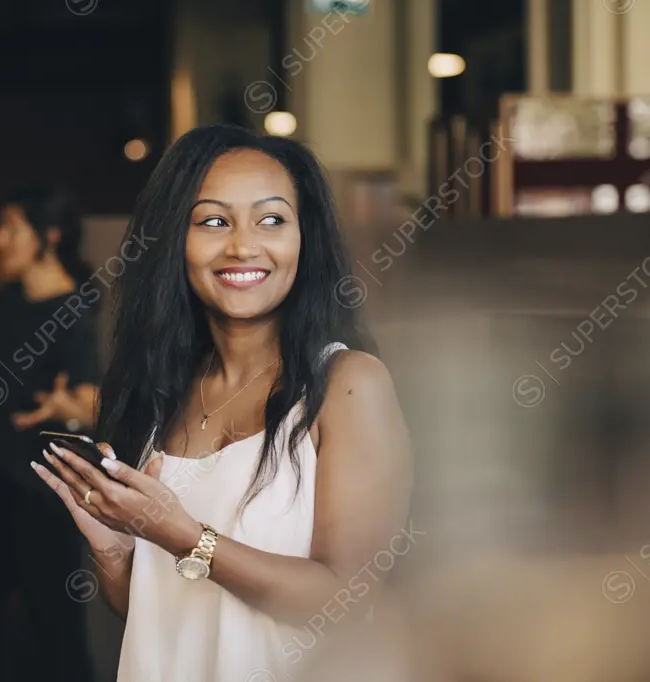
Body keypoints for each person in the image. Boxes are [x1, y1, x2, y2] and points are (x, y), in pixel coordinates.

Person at [33, 124, 414, 682]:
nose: (242, 245)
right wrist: (117, 553)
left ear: (304, 238)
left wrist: (181, 534)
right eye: (213, 221)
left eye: (272, 220)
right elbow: (161, 612)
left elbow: (345, 602)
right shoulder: (158, 391)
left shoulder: (350, 385)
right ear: (174, 241)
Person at [0, 187, 101, 682]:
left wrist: (71, 409)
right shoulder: (8, 300)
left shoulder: (76, 310)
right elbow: (1, 378)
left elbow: (92, 399)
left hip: (42, 491)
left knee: (53, 627)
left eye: (11, 227)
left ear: (48, 236)